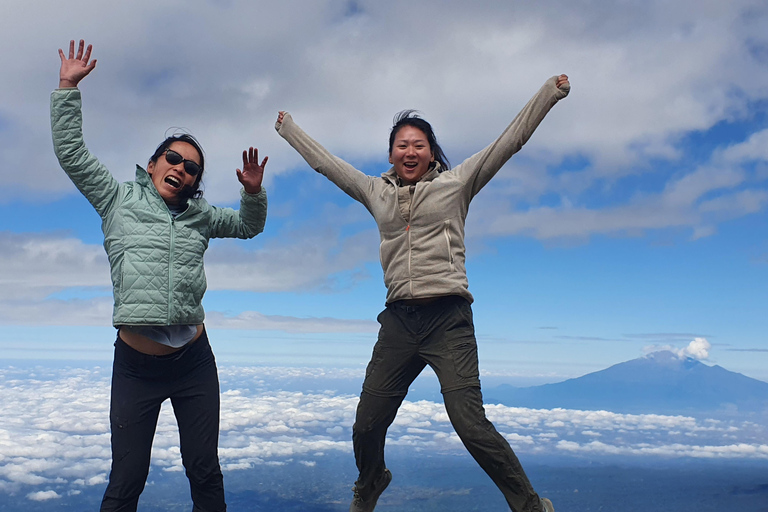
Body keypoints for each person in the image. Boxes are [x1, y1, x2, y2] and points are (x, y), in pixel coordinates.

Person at [275, 74, 570, 512]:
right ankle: (372, 481)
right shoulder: (376, 192)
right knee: (366, 425)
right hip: (398, 322)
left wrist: (548, 94)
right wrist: (289, 129)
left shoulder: (457, 184)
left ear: (431, 152)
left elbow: (509, 142)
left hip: (448, 319)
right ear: (391, 154)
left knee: (470, 425)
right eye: (401, 145)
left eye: (418, 145)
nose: (409, 152)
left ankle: (530, 505)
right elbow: (328, 165)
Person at [51, 40, 269, 512]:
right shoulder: (116, 199)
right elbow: (71, 153)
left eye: (192, 168)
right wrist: (68, 86)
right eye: (173, 159)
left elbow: (250, 226)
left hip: (194, 361)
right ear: (152, 165)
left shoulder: (203, 217)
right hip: (136, 367)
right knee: (127, 481)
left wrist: (253, 193)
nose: (182, 169)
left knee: (205, 472)